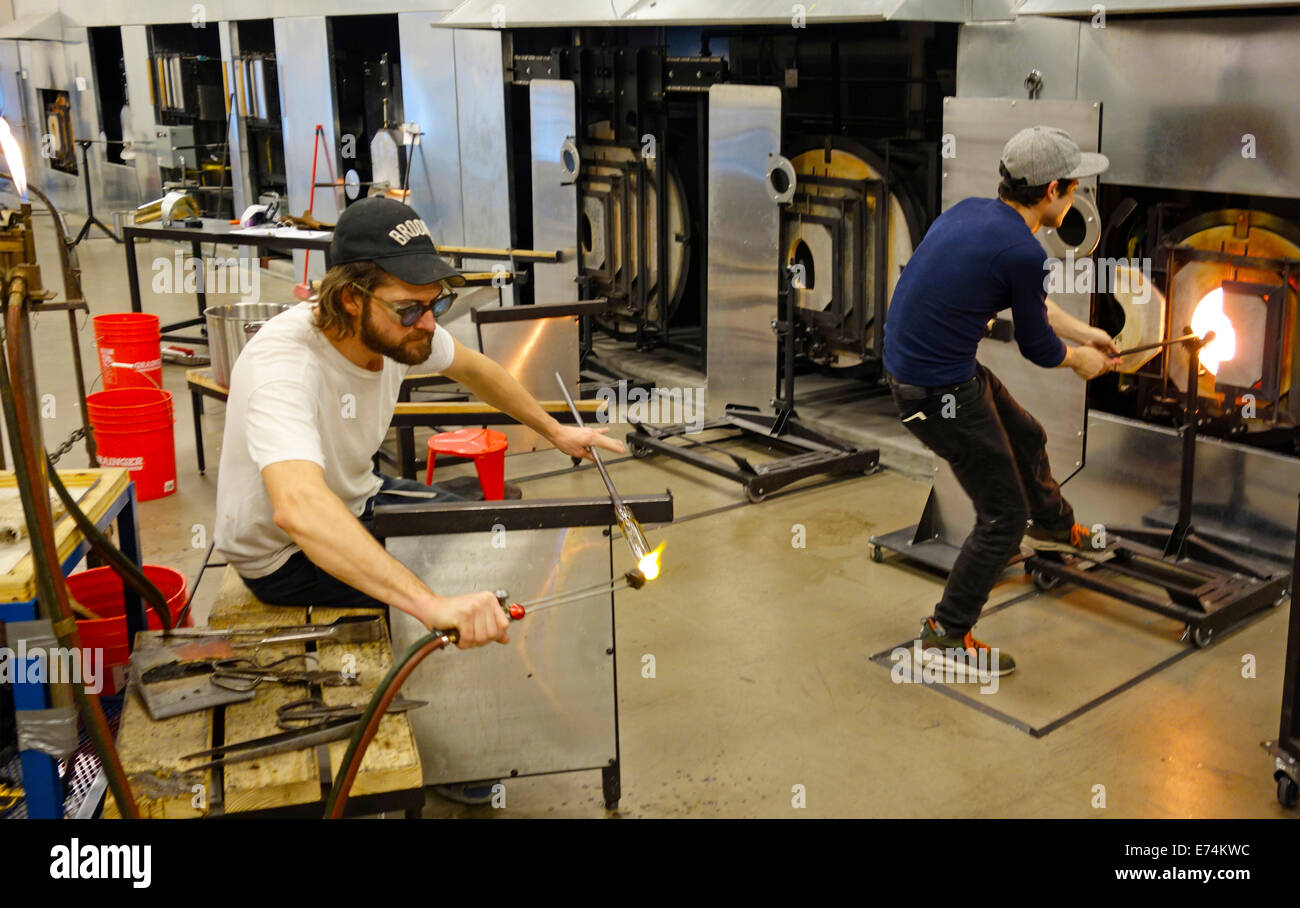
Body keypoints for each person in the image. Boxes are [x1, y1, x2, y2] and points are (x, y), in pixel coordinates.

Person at [214, 196, 624, 650]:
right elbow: (299, 508)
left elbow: (476, 369)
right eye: (410, 308)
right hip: (284, 556)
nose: (427, 324)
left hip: (357, 497)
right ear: (351, 299)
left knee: (483, 536)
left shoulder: (402, 326)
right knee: (463, 580)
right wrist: (431, 605)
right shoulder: (284, 365)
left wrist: (556, 431)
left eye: (436, 305)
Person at [881, 126, 1120, 677]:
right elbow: (1038, 347)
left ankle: (1056, 526)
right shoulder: (1021, 249)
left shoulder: (975, 215)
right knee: (1003, 516)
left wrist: (1087, 335)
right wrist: (1078, 361)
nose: (1079, 194)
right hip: (935, 392)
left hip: (939, 372)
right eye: (1076, 185)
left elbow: (1032, 305)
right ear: (1052, 189)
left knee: (1027, 433)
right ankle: (945, 635)